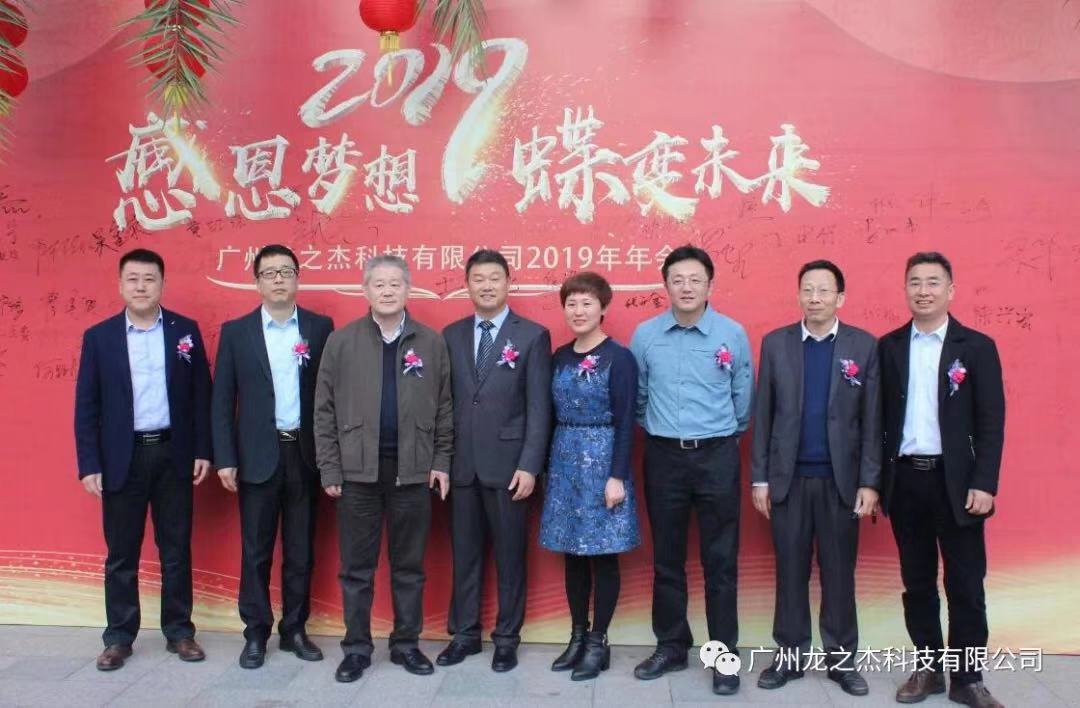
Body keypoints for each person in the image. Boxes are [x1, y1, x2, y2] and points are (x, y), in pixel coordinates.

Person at [314, 254, 453, 683]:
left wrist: (440, 461)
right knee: (356, 568)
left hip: (412, 471)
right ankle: (356, 648)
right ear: (366, 290)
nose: (388, 291)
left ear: (408, 289)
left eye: (395, 284)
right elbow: (323, 409)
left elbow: (445, 408)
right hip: (358, 473)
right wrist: (330, 468)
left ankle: (406, 644)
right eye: (379, 284)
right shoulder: (342, 341)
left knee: (409, 566)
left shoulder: (431, 343)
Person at [74, 248, 211, 671]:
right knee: (121, 553)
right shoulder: (100, 337)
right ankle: (119, 637)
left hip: (174, 453)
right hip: (123, 457)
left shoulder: (184, 331)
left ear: (162, 284)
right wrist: (89, 463)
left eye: (149, 279)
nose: (141, 286)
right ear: (120, 285)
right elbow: (87, 406)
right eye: (132, 279)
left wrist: (203, 450)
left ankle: (179, 631)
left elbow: (202, 396)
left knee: (176, 549)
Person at [879, 252, 1005, 708]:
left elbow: (991, 420)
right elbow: (878, 419)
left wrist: (984, 482)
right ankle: (928, 670)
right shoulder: (889, 347)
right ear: (905, 289)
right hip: (906, 481)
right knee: (917, 583)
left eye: (933, 282)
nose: (923, 290)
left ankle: (967, 679)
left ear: (950, 290)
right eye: (915, 282)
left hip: (959, 485)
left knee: (966, 584)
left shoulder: (977, 347)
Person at [750, 259, 880, 697]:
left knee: (839, 575)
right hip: (788, 481)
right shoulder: (777, 344)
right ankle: (789, 657)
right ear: (798, 294)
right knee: (790, 572)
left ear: (840, 297)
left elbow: (873, 419)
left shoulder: (863, 346)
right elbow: (764, 415)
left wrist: (869, 482)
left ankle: (841, 662)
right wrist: (760, 478)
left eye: (824, 290)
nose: (815, 297)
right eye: (808, 289)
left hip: (842, 484)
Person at [629, 245, 752, 696]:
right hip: (664, 457)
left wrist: (718, 437)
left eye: (695, 279)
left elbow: (743, 397)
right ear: (666, 285)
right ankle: (671, 645)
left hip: (717, 455)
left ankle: (723, 656)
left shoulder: (731, 333)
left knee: (720, 561)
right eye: (677, 279)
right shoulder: (645, 335)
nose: (686, 287)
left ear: (709, 285)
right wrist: (664, 432)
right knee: (667, 559)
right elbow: (639, 397)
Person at [211, 244, 334, 669]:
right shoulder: (236, 332)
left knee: (301, 549)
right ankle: (256, 631)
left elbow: (329, 395)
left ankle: (295, 628)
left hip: (304, 453)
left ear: (298, 278)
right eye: (270, 273)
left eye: (286, 271)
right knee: (256, 550)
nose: (278, 279)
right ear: (257, 282)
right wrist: (225, 457)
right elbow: (222, 399)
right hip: (256, 456)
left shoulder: (319, 328)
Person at [438, 249, 552, 673]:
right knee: (464, 555)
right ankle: (465, 635)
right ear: (467, 285)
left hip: (510, 468)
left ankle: (506, 638)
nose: (486, 286)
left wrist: (530, 465)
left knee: (509, 557)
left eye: (494, 278)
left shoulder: (532, 336)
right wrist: (441, 460)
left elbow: (539, 408)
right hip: (462, 466)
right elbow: (444, 403)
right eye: (478, 279)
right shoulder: (450, 335)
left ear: (508, 283)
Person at [539, 272, 641, 682]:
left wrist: (617, 476)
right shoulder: (559, 356)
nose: (578, 311)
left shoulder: (620, 358)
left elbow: (626, 421)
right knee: (572, 552)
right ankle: (578, 635)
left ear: (603, 308)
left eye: (587, 303)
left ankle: (599, 641)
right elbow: (547, 414)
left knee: (603, 553)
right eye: (571, 303)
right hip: (565, 461)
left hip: (602, 462)